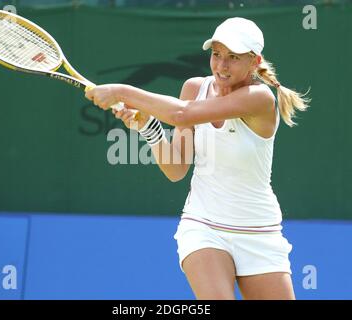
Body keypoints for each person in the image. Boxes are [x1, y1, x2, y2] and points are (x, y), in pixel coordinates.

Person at [85, 17, 309, 300]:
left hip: (260, 233)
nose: (221, 66)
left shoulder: (260, 98)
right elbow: (176, 167)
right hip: (203, 227)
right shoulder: (194, 88)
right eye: (216, 54)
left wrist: (122, 91)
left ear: (255, 62)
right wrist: (147, 126)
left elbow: (182, 114)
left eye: (233, 57)